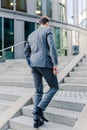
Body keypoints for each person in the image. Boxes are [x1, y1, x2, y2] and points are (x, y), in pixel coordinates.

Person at [24, 16, 59, 128]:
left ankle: (36, 120)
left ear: (39, 23)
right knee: (54, 87)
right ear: (47, 24)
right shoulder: (48, 31)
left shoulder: (31, 35)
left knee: (38, 91)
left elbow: (26, 52)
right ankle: (39, 109)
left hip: (34, 65)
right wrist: (55, 64)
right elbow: (52, 47)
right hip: (45, 63)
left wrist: (30, 63)